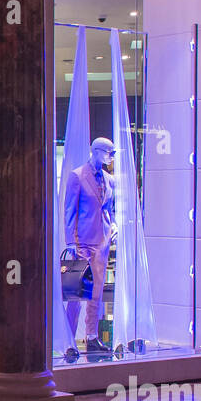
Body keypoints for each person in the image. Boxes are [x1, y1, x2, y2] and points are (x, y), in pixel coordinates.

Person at [63, 137, 116, 354]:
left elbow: (110, 209)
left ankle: (92, 335)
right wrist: (71, 241)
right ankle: (68, 339)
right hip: (82, 241)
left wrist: (113, 226)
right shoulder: (77, 176)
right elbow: (70, 211)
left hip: (102, 242)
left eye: (112, 153)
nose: (110, 157)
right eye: (108, 152)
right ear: (95, 151)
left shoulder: (109, 179)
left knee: (96, 292)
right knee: (77, 292)